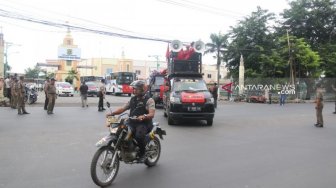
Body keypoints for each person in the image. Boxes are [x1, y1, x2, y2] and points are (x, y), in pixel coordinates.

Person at [106, 80, 155, 162]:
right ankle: (125, 148)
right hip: (132, 122)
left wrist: (144, 116)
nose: (134, 90)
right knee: (120, 131)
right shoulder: (133, 99)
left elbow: (152, 114)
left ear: (142, 89)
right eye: (134, 89)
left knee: (138, 137)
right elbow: (123, 108)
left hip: (144, 123)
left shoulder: (149, 100)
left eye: (136, 89)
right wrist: (112, 113)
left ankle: (142, 154)